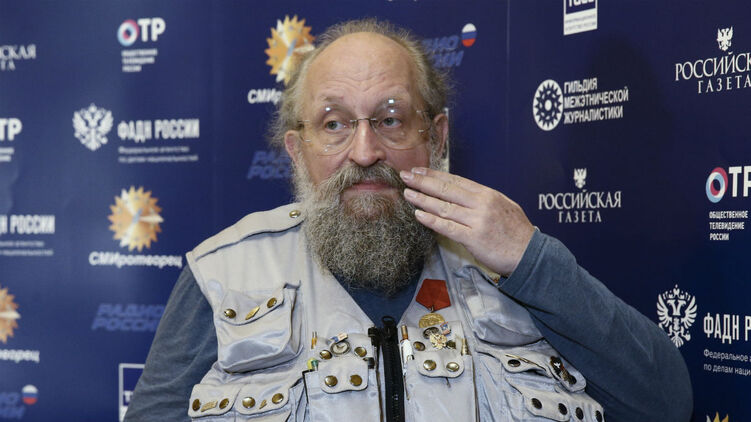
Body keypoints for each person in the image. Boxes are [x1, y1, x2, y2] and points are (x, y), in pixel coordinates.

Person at [125, 19, 692, 422]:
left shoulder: (512, 262)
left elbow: (665, 404)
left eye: (391, 119)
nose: (365, 151)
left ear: (436, 138)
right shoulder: (223, 275)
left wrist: (531, 260)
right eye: (334, 124)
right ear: (297, 152)